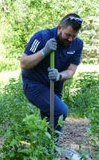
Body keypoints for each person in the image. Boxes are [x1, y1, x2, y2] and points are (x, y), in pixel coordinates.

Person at [20, 13, 84, 141]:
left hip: (55, 87)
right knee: (60, 111)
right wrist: (44, 51)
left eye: (74, 36)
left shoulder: (77, 44)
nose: (70, 39)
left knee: (49, 121)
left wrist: (59, 75)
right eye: (68, 35)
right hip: (34, 84)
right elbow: (24, 63)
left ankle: (43, 149)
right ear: (60, 28)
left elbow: (71, 71)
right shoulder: (41, 37)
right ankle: (51, 149)